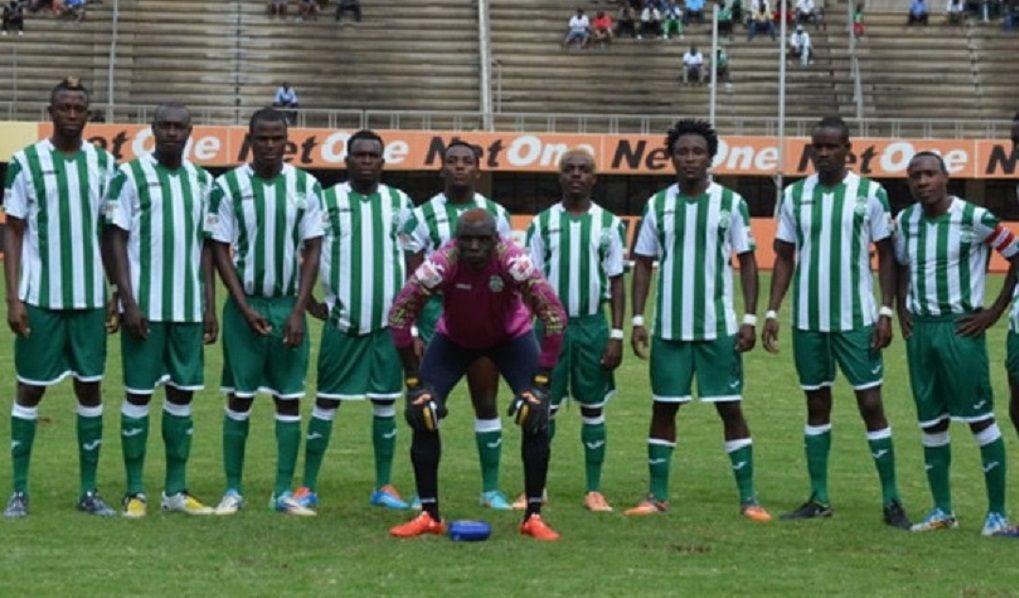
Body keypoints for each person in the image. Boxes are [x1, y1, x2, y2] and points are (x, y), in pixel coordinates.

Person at [762, 116, 910, 529]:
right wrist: (773, 311)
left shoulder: (870, 193)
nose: (823, 153)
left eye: (832, 146)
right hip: (808, 321)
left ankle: (892, 499)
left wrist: (885, 311)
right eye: (817, 147)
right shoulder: (794, 196)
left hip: (857, 319)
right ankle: (819, 497)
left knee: (871, 404)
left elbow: (886, 256)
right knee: (816, 404)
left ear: (848, 148)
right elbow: (785, 256)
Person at [387, 209, 568, 541]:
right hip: (454, 340)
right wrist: (413, 382)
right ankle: (429, 514)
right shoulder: (442, 262)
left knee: (536, 414)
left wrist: (541, 382)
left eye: (481, 239)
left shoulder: (513, 260)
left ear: (496, 240)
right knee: (422, 412)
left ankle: (533, 515)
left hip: (510, 338)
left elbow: (553, 314)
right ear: (456, 239)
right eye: (465, 239)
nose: (472, 246)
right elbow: (400, 311)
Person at [623, 120, 771, 523]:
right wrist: (638, 318)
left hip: (718, 328)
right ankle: (656, 495)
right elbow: (643, 263)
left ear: (710, 157)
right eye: (682, 152)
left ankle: (749, 499)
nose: (690, 159)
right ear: (671, 158)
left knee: (730, 408)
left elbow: (747, 262)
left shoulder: (731, 203)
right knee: (664, 408)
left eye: (697, 152)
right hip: (670, 328)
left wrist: (750, 318)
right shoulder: (657, 205)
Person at [2, 77, 118, 518]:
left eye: (79, 108)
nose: (72, 115)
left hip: (88, 300)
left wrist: (114, 292)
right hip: (41, 299)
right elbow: (12, 230)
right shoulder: (26, 162)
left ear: (88, 115)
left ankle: (88, 492)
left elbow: (110, 234)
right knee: (30, 389)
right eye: (64, 108)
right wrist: (13, 298)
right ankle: (18, 491)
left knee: (90, 388)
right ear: (50, 112)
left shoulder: (104, 165)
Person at [206, 108, 324, 517]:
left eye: (277, 138)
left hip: (287, 305)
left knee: (289, 399)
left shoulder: (306, 186)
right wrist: (241, 307)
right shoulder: (228, 187)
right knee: (240, 398)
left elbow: (312, 250)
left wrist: (298, 311)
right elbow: (219, 249)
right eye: (262, 138)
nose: (270, 145)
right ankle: (233, 489)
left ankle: (281, 492)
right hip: (246, 305)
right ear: (250, 140)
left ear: (287, 141)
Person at [102, 102, 218, 518]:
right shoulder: (130, 175)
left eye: (178, 127)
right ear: (153, 129)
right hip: (144, 308)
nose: (171, 132)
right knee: (137, 394)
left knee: (182, 397)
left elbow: (206, 247)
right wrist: (125, 298)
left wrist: (209, 303)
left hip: (186, 309)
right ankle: (135, 491)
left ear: (191, 132)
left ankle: (175, 490)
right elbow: (115, 238)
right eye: (164, 126)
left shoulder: (203, 181)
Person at [895, 151, 1018, 537]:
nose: (923, 182)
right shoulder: (905, 221)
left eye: (930, 174)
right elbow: (900, 265)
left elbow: (1016, 254)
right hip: (921, 331)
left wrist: (994, 310)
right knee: (931, 422)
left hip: (960, 328)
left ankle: (997, 514)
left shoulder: (975, 218)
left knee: (980, 420)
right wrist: (902, 308)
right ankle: (941, 510)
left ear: (946, 177)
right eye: (916, 176)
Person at [291, 130, 415, 511]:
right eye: (359, 155)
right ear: (346, 161)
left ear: (382, 162)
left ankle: (384, 485)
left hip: (385, 325)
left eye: (372, 155)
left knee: (385, 402)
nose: (366, 161)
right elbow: (304, 251)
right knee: (326, 401)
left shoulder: (399, 202)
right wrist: (307, 300)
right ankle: (307, 485)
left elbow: (412, 255)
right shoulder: (326, 202)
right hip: (342, 322)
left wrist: (409, 309)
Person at [402, 141, 515, 511]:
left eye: (467, 162)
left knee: (486, 401)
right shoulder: (421, 216)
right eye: (452, 161)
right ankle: (424, 491)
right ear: (442, 169)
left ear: (478, 170)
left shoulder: (497, 214)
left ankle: (491, 488)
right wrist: (415, 331)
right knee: (428, 408)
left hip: (483, 322)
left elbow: (507, 271)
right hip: (437, 323)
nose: (460, 167)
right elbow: (413, 278)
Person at [525, 150, 626, 513]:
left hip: (591, 326)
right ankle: (538, 487)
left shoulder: (610, 224)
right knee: (542, 409)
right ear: (560, 177)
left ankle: (594, 489)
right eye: (569, 170)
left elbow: (616, 281)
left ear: (594, 178)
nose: (576, 176)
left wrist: (617, 333)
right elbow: (529, 280)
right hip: (550, 326)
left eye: (584, 170)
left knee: (593, 407)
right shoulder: (542, 223)